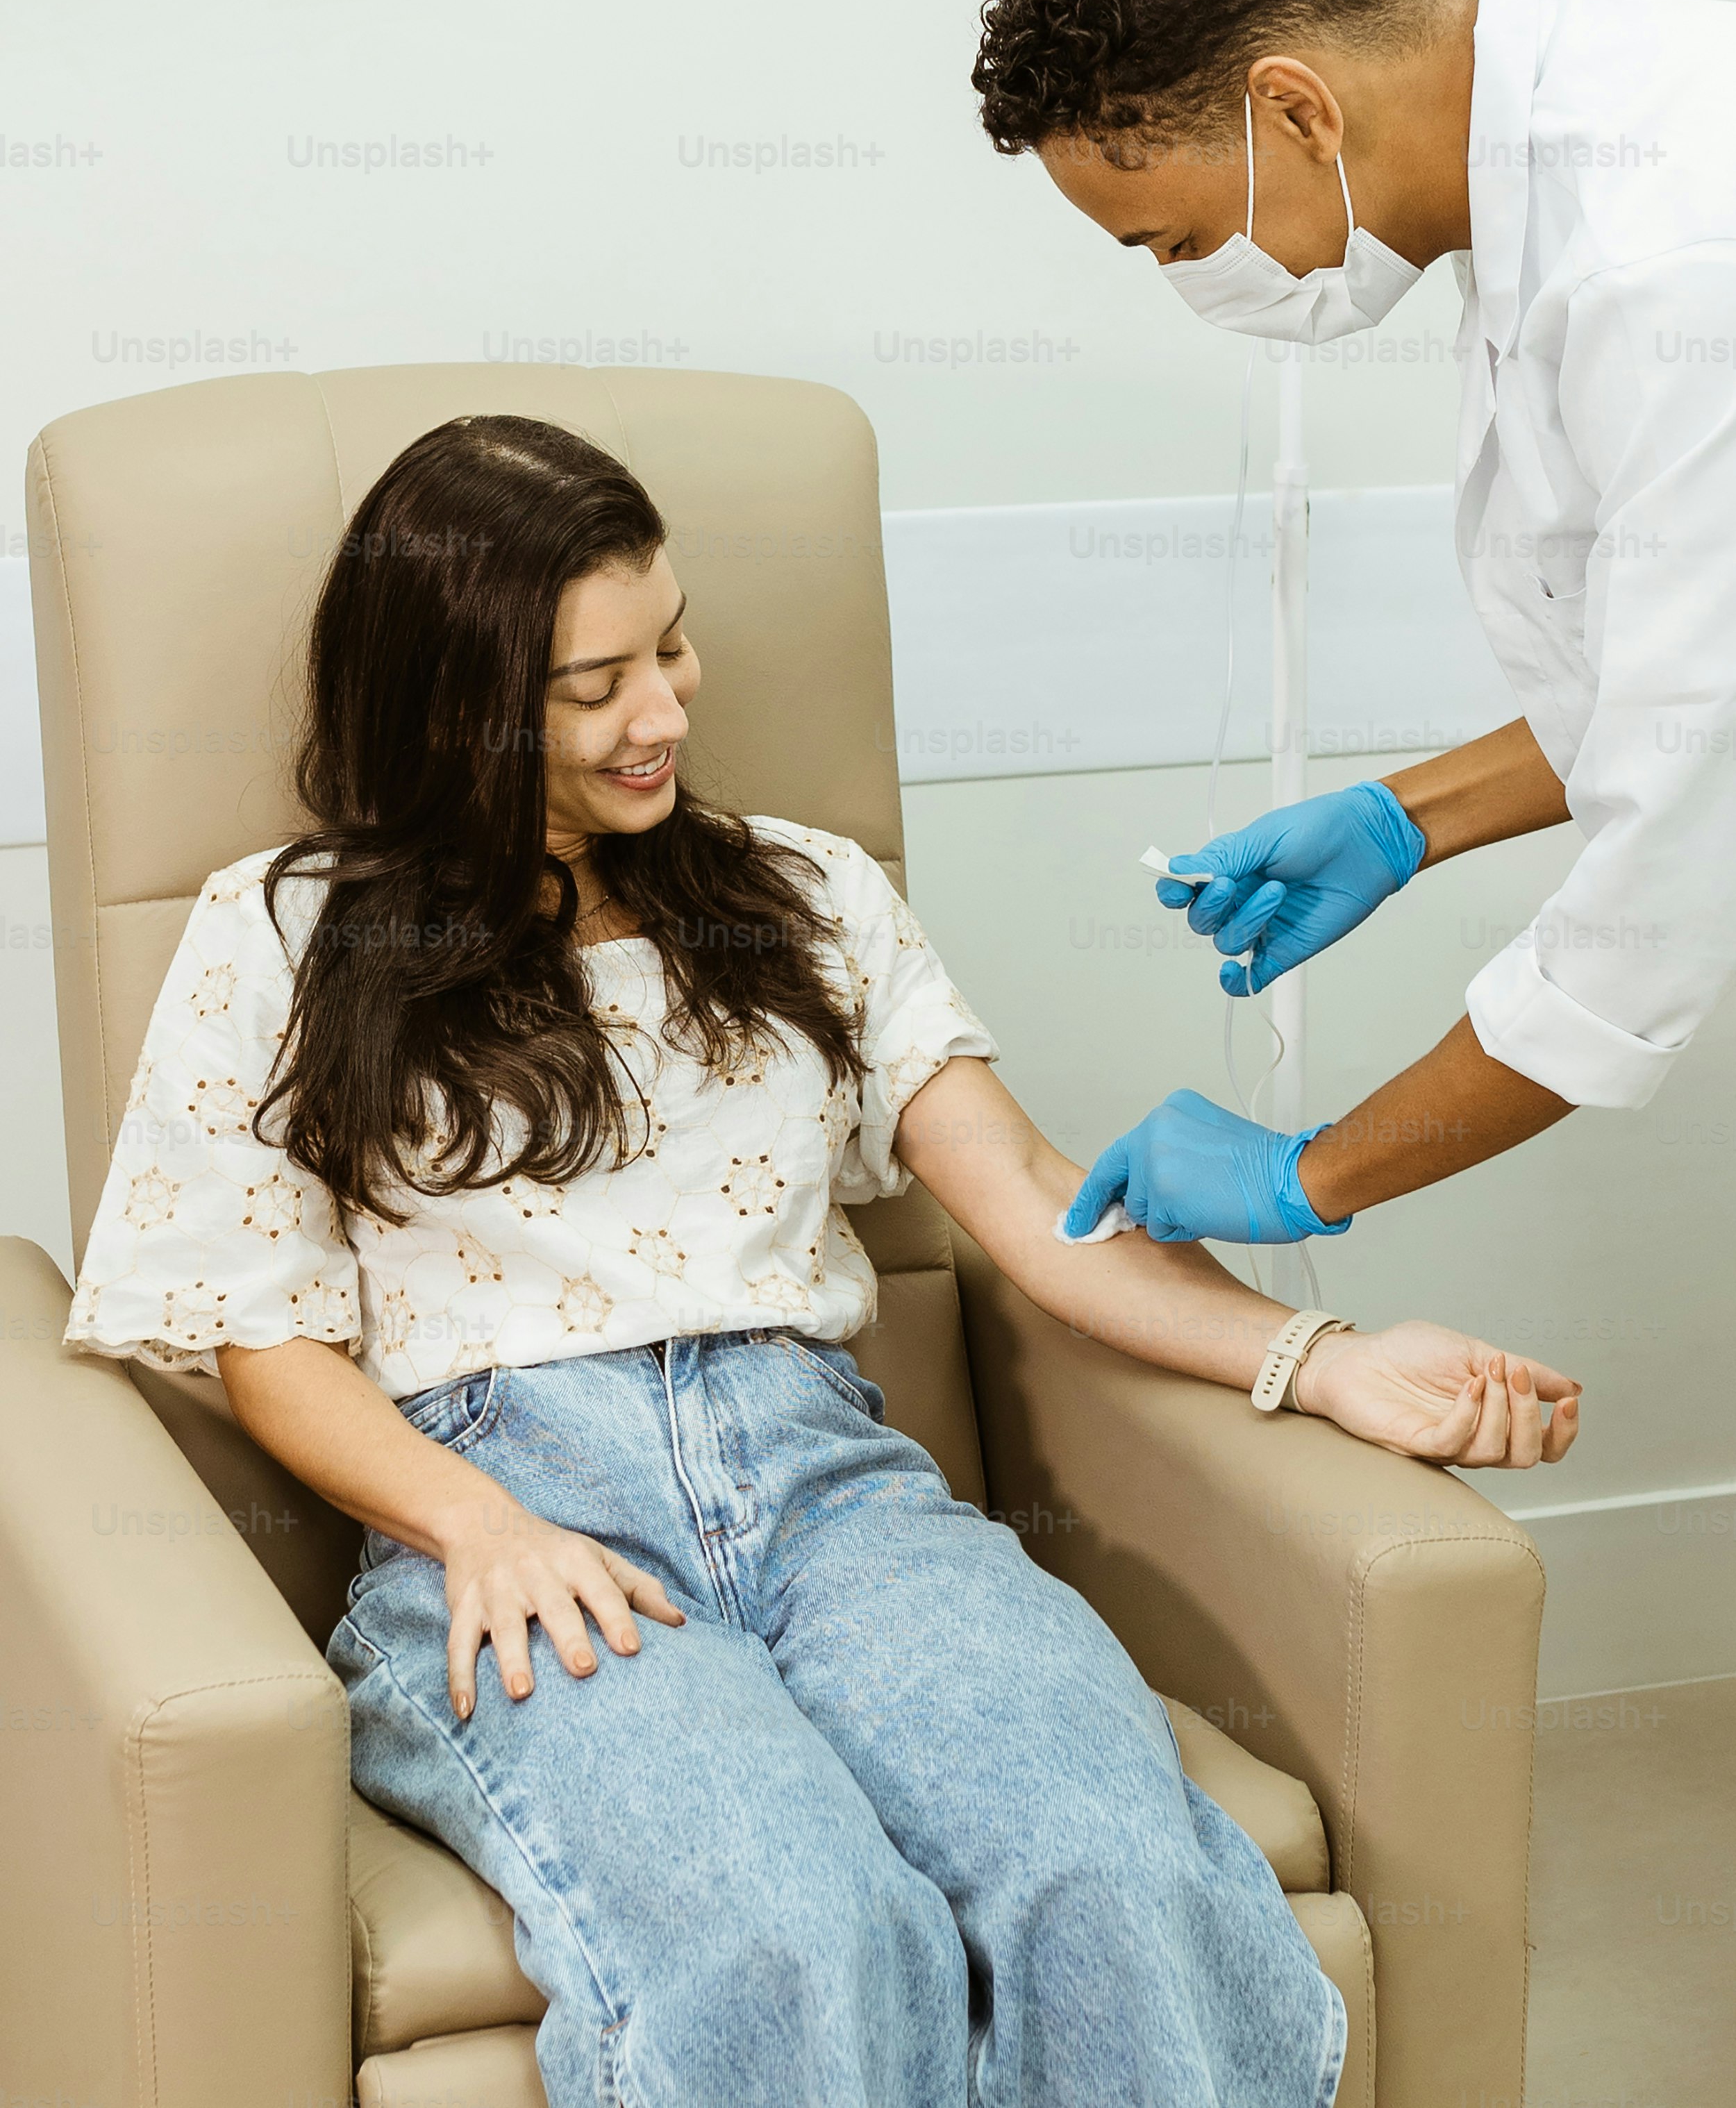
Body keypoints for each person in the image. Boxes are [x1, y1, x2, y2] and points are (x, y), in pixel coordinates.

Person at [65, 415, 1577, 2108]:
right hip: (517, 1515)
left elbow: (1021, 1195)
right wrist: (477, 1524)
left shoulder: (801, 896)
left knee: (1115, 1870)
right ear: (452, 702)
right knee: (792, 1929)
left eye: (675, 642)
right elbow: (266, 1338)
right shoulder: (282, 932)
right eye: (596, 683)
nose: (667, 710)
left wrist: (1328, 1361)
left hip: (835, 1491)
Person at [972, 0, 1736, 1252]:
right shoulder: (1566, 171)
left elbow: (1672, 878)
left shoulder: (1668, 263)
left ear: (1294, 111)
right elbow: (1676, 689)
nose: (1190, 285)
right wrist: (1404, 821)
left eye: (1176, 241)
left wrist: (1306, 1176)